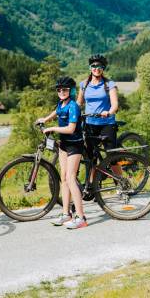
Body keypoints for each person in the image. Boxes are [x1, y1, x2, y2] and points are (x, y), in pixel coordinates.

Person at [35, 76, 87, 230]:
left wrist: (52, 128)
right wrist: (45, 119)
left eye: (65, 90)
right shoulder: (61, 103)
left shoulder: (73, 106)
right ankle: (66, 214)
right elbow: (57, 112)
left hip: (74, 146)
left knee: (71, 178)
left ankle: (81, 217)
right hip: (64, 145)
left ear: (70, 91)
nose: (62, 92)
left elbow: (71, 129)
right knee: (63, 179)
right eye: (59, 90)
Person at [78, 54, 119, 194]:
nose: (96, 68)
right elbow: (79, 103)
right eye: (93, 66)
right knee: (91, 158)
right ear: (90, 68)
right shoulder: (84, 85)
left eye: (99, 66)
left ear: (103, 68)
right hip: (89, 124)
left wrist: (109, 112)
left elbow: (115, 105)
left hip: (106, 123)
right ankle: (93, 186)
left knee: (111, 156)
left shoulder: (110, 85)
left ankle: (121, 184)